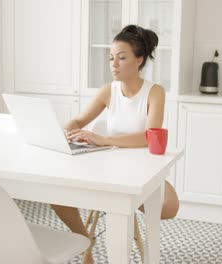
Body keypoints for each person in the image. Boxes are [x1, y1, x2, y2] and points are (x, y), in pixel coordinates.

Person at [51, 24, 179, 263]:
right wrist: (59, 132)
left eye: (122, 58)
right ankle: (84, 239)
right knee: (55, 192)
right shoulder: (108, 91)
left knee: (168, 207)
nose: (114, 64)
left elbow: (149, 135)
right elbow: (79, 120)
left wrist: (104, 139)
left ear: (139, 60)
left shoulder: (154, 92)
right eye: (111, 58)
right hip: (107, 169)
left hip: (141, 170)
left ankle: (123, 211)